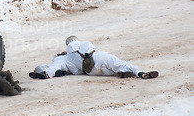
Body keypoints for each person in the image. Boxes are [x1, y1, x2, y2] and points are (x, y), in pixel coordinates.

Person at [29, 36, 159, 79]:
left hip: (90, 71)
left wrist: (46, 73)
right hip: (98, 57)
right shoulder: (84, 44)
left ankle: (122, 73)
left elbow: (54, 67)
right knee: (118, 64)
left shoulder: (64, 58)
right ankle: (139, 72)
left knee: (106, 72)